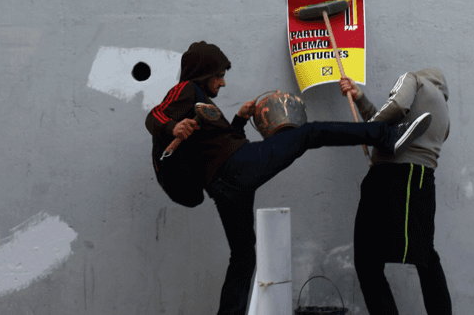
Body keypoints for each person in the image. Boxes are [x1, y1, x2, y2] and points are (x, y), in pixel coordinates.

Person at [145, 42, 432, 315]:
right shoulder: (186, 89)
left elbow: (216, 146)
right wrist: (172, 128)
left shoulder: (200, 101)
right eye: (218, 76)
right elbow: (154, 116)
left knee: (243, 257)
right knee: (309, 133)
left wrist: (240, 120)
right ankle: (387, 136)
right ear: (203, 73)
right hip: (236, 168)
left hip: (225, 185)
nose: (222, 83)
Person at [340, 69, 452, 315]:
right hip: (423, 181)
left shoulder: (413, 79)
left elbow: (398, 105)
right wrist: (360, 99)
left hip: (390, 175)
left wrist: (365, 131)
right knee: (426, 258)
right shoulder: (443, 110)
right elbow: (389, 125)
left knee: (367, 260)